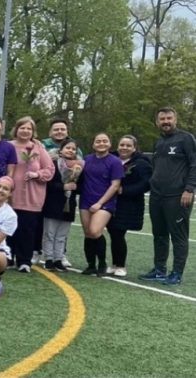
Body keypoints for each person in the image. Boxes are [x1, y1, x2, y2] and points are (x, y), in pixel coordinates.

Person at [140, 107, 196, 285]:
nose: (166, 122)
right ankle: (159, 270)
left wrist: (189, 188)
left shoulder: (186, 139)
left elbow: (195, 164)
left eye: (169, 118)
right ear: (157, 122)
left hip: (178, 195)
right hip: (157, 196)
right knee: (159, 234)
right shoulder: (159, 142)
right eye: (162, 119)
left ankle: (177, 273)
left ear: (175, 119)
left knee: (178, 236)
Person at [7, 117, 54, 272]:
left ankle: (24, 261)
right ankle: (8, 257)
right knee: (8, 228)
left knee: (27, 229)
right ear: (16, 129)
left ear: (33, 132)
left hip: (32, 196)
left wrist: (37, 174)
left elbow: (50, 170)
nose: (25, 131)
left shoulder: (38, 149)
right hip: (10, 195)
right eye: (22, 128)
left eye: (29, 129)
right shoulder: (8, 146)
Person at [106, 135, 152, 277]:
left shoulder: (142, 163)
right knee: (113, 232)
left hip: (129, 204)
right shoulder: (111, 159)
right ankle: (114, 264)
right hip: (110, 202)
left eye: (128, 145)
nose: (124, 148)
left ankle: (120, 265)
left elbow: (146, 183)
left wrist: (124, 190)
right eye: (122, 145)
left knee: (119, 233)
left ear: (134, 148)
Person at [78, 133, 123, 276]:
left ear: (110, 144)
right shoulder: (87, 160)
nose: (101, 143)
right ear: (93, 144)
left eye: (105, 141)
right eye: (98, 141)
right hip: (85, 201)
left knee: (95, 231)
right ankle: (91, 265)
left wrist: (100, 203)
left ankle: (102, 263)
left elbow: (115, 185)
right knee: (87, 234)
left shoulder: (115, 162)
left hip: (104, 202)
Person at [41, 139, 82, 271]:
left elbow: (81, 186)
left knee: (62, 235)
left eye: (73, 149)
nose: (70, 151)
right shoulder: (53, 164)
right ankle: (48, 258)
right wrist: (63, 186)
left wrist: (75, 187)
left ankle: (58, 259)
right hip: (53, 203)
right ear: (61, 150)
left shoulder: (80, 166)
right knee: (49, 233)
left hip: (69, 204)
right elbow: (48, 183)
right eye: (67, 148)